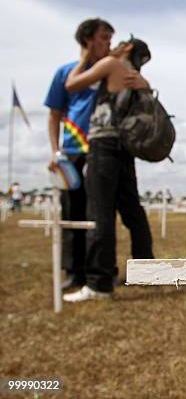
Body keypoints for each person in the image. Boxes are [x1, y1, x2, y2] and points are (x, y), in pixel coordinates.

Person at [62, 37, 154, 302]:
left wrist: (84, 58)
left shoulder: (112, 64)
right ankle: (147, 271)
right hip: (125, 148)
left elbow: (72, 84)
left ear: (126, 48)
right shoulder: (137, 77)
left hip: (104, 146)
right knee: (132, 211)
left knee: (99, 213)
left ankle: (99, 283)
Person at [44, 18, 117, 290]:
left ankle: (102, 269)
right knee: (72, 213)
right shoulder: (65, 73)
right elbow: (53, 115)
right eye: (103, 37)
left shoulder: (110, 71)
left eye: (111, 38)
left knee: (100, 213)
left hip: (104, 151)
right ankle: (74, 272)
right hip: (73, 153)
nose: (108, 43)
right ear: (88, 39)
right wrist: (56, 151)